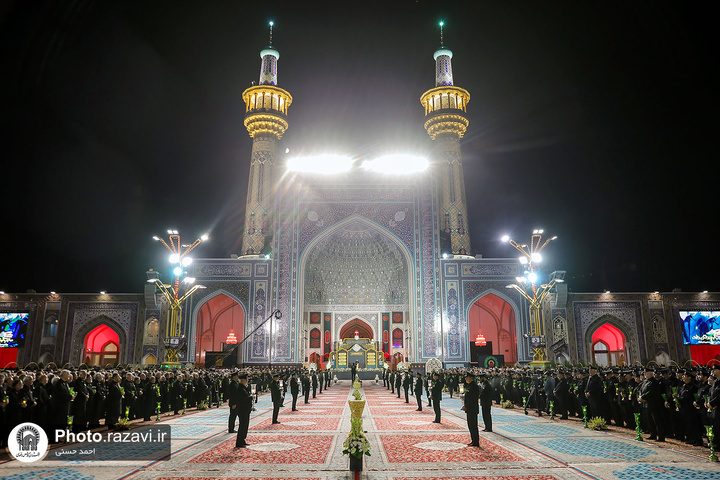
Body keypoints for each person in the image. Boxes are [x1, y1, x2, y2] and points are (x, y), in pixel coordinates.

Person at [235, 374, 253, 448]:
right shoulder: (240, 389)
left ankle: (242, 440)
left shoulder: (244, 388)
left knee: (245, 426)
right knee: (242, 425)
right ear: (243, 380)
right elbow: (242, 400)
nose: (247, 382)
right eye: (246, 380)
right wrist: (250, 398)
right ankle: (239, 442)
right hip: (242, 410)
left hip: (245, 410)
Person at [462, 371, 480, 447]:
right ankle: (473, 440)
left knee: (473, 425)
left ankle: (475, 441)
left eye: (467, 377)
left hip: (472, 408)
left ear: (471, 378)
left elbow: (473, 399)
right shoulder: (469, 385)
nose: (466, 378)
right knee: (470, 425)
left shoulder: (474, 386)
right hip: (469, 408)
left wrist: (467, 406)